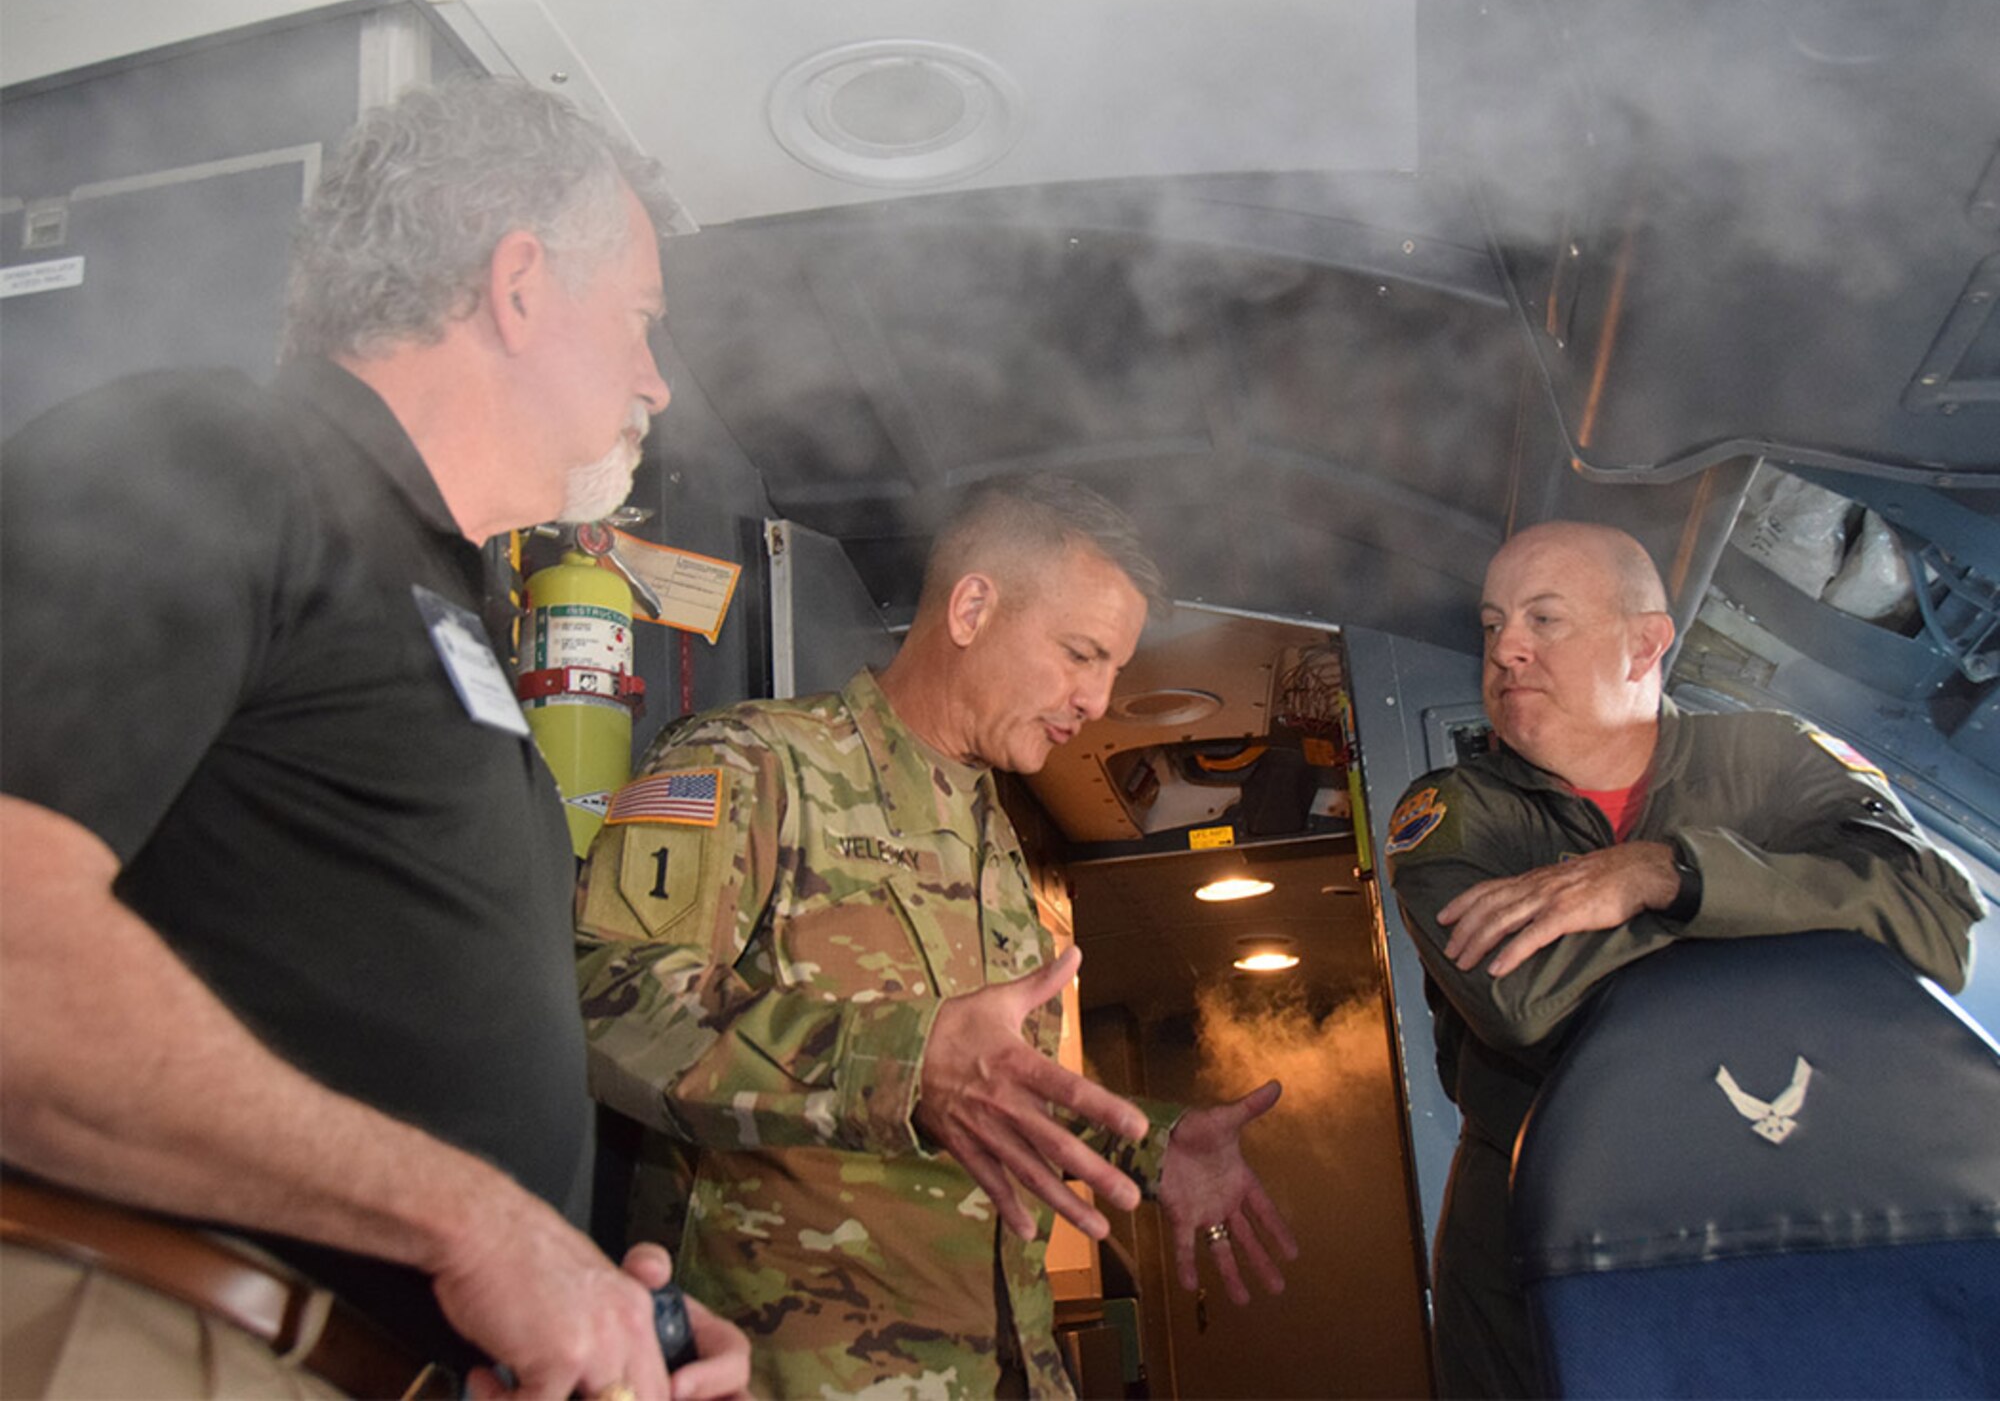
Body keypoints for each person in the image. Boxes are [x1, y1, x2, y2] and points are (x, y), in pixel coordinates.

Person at [0, 77, 748, 1400]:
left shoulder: (448, 600)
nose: (656, 384)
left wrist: (583, 1309)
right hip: (148, 1333)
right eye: (641, 322)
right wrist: (474, 1222)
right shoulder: (212, 456)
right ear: (520, 285)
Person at [576, 475, 1300, 1397]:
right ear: (971, 606)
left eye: (1112, 668)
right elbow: (604, 994)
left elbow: (988, 1087)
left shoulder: (994, 838)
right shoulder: (751, 762)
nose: (1095, 699)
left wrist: (1147, 1141)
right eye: (1080, 653)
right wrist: (902, 1064)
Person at [1384, 519, 1984, 1398]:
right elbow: (1524, 999)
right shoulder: (1455, 813)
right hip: (1540, 1239)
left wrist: (1668, 873)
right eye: (1491, 623)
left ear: (1645, 642)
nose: (1506, 647)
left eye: (1543, 619)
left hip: (1778, 1216)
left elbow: (1937, 920)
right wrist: (1784, 913)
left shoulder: (1773, 757)